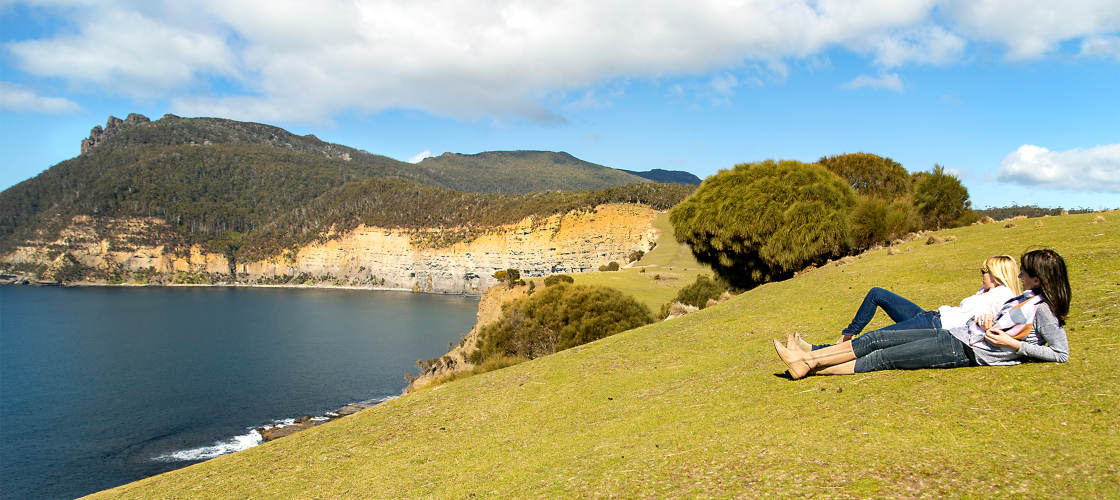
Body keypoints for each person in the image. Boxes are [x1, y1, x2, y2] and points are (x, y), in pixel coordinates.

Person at [774, 249, 1070, 379]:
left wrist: (1014, 346)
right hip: (956, 333)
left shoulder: (1044, 312)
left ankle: (810, 363)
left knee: (883, 358)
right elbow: (1005, 322)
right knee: (877, 339)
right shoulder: (1025, 301)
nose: (1020, 273)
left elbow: (1060, 354)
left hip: (965, 350)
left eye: (1026, 272)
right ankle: (809, 361)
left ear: (1039, 279)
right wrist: (986, 319)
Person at [793, 255, 1021, 351]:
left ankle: (818, 350)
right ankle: (846, 336)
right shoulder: (985, 291)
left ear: (997, 273)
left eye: (985, 270)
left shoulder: (1004, 296)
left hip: (937, 327)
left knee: (877, 338)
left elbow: (1006, 323)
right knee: (876, 293)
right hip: (930, 315)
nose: (981, 273)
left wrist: (987, 321)